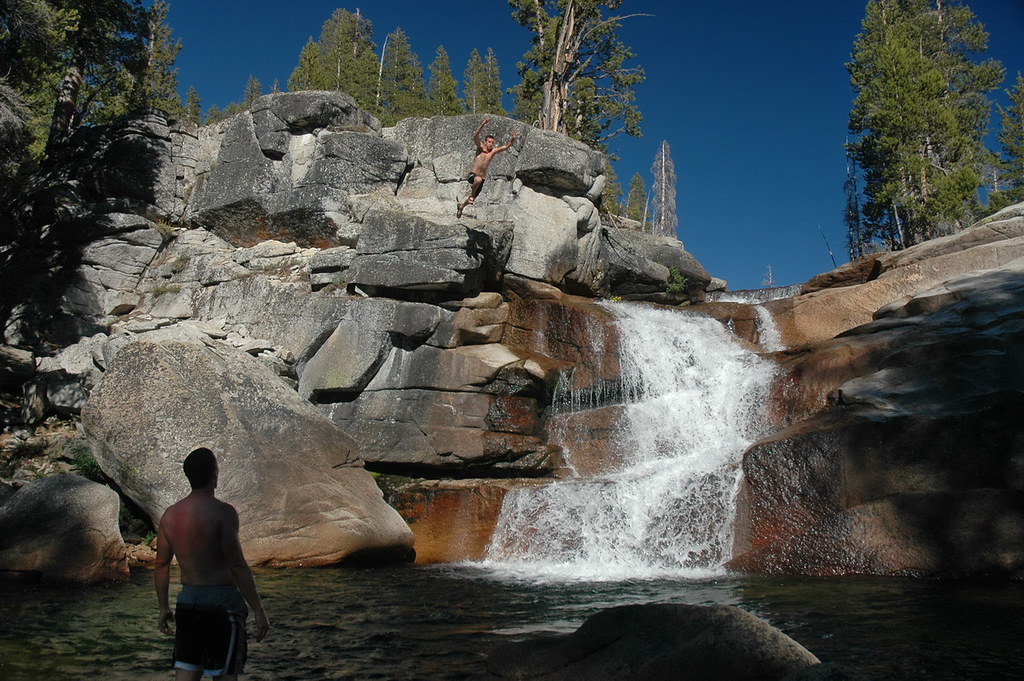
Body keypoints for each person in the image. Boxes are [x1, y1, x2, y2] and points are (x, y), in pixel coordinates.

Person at [155, 447, 270, 680]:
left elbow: (161, 565)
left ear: (188, 476)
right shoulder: (222, 513)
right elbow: (236, 564)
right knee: (225, 673)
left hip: (188, 602)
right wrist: (258, 609)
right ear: (214, 475)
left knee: (186, 673)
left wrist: (163, 607)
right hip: (222, 604)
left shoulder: (169, 515)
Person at [457, 118, 518, 218]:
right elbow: (475, 136)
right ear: (485, 142)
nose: (491, 144)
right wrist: (482, 124)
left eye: (492, 143)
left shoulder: (493, 152)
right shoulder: (480, 148)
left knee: (471, 200)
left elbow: (506, 146)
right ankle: (472, 194)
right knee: (478, 180)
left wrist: (513, 138)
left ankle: (461, 206)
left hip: (481, 180)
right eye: (489, 142)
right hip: (473, 175)